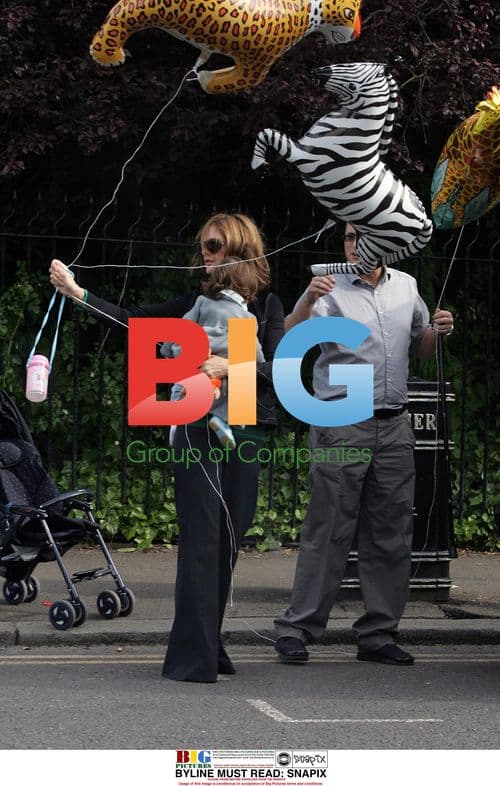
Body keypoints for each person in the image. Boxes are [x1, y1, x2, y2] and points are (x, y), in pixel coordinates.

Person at [49, 212, 284, 682]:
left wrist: (229, 365)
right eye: (203, 245)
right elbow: (137, 325)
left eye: (214, 245)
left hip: (244, 427)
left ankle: (209, 641)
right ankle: (191, 658)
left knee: (229, 537)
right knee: (201, 536)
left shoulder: (266, 307)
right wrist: (78, 294)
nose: (205, 253)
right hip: (196, 423)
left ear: (238, 249)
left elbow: (277, 372)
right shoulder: (196, 302)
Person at [274, 223, 454, 667]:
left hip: (394, 423)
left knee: (392, 533)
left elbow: (422, 348)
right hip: (340, 419)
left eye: (360, 237)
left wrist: (438, 330)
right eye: (348, 238)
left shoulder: (407, 287)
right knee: (329, 528)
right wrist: (307, 301)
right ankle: (297, 628)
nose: (352, 245)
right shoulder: (330, 290)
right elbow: (283, 337)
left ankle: (378, 634)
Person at [161, 256, 265, 450]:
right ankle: (225, 422)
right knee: (239, 388)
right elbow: (254, 352)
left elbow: (184, 326)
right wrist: (259, 363)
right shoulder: (247, 317)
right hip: (224, 368)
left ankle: (176, 418)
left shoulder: (202, 302)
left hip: (197, 357)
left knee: (180, 388)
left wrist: (167, 348)